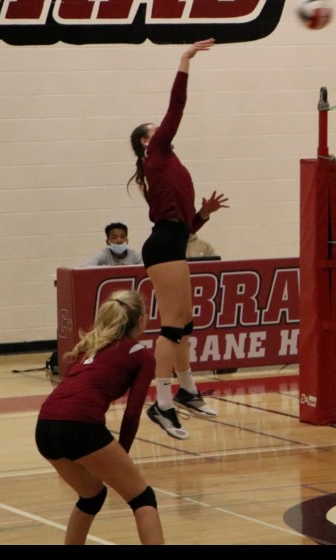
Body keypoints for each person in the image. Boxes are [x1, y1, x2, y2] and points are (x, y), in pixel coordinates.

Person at [128, 38, 229, 439]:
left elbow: (182, 224)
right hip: (163, 245)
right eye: (154, 129)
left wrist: (202, 214)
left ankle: (187, 391)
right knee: (171, 326)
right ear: (145, 141)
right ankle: (162, 403)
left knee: (184, 323)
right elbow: (177, 107)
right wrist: (185, 60)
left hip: (173, 240)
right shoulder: (158, 152)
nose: (162, 127)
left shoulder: (166, 162)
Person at [35, 289, 163, 545]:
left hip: (45, 426)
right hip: (80, 425)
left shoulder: (91, 347)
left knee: (91, 495)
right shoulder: (141, 354)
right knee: (142, 498)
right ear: (139, 319)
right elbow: (133, 413)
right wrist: (122, 453)